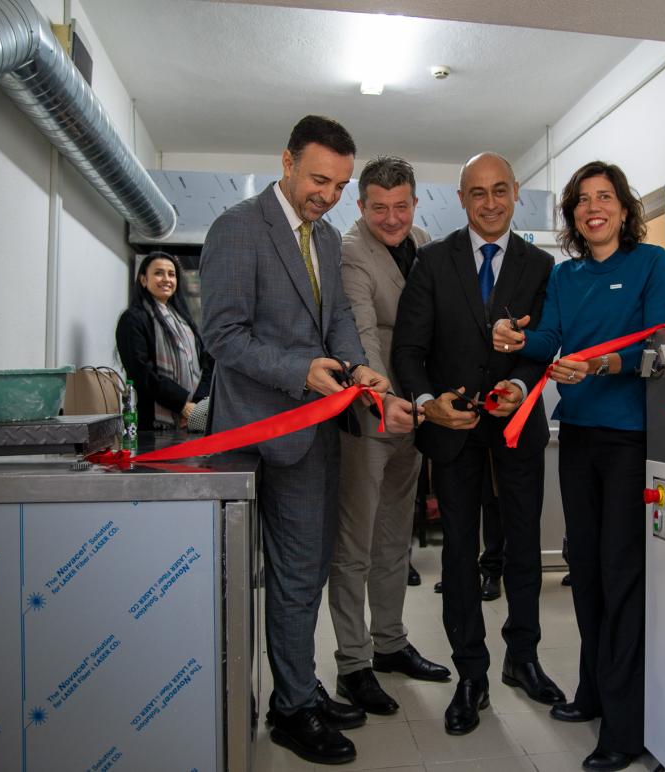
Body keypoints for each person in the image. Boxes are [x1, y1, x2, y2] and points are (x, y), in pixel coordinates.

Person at [200, 115, 414, 766]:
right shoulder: (238, 228)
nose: (329, 194)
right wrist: (301, 371)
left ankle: (295, 693)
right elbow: (223, 335)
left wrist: (359, 369)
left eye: (341, 185)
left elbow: (338, 321)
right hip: (251, 435)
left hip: (314, 431)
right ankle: (289, 706)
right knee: (258, 580)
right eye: (320, 179)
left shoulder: (323, 238)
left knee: (304, 573)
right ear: (287, 162)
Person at [492, 160, 665, 772]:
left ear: (624, 209)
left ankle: (625, 729)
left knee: (622, 574)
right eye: (582, 200)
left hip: (630, 440)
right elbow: (551, 337)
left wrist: (601, 365)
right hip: (578, 436)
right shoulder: (565, 275)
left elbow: (662, 345)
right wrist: (518, 340)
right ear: (573, 214)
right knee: (587, 568)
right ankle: (594, 693)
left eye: (604, 197)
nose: (593, 208)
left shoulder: (652, 264)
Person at [392, 152, 565, 737]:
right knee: (460, 553)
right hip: (454, 432)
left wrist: (522, 385)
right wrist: (427, 402)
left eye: (499, 191)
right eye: (477, 193)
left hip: (517, 430)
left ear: (515, 192)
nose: (489, 203)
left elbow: (545, 344)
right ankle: (472, 675)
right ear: (461, 198)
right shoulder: (432, 261)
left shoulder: (541, 266)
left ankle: (523, 657)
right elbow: (408, 351)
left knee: (523, 550)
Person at [328, 156, 450, 717]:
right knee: (355, 540)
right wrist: (383, 400)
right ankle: (353, 663)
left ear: (416, 203)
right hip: (370, 411)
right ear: (361, 206)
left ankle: (391, 643)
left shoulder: (424, 244)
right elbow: (361, 334)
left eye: (402, 206)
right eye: (380, 208)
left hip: (417, 411)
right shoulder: (351, 252)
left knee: (396, 536)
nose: (393, 218)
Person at [115, 251, 212, 434]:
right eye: (158, 273)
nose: (166, 279)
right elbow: (141, 372)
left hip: (190, 421)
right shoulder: (133, 319)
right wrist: (181, 404)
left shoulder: (185, 321)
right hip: (152, 426)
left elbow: (206, 364)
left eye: (171, 274)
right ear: (143, 280)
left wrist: (195, 406)